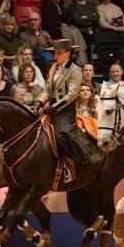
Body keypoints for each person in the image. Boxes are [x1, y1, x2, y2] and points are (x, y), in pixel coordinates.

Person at [36, 39, 101, 183]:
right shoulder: (53, 68)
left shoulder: (75, 70)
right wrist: (40, 102)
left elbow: (71, 95)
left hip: (65, 110)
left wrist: (54, 107)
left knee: (61, 134)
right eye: (55, 53)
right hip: (51, 107)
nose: (55, 56)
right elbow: (47, 89)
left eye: (58, 53)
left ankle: (71, 164)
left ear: (68, 53)